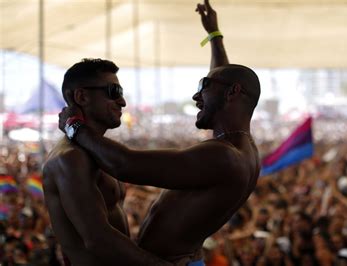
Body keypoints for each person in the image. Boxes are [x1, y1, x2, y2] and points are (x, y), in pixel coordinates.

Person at [57, 0, 261, 265]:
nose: (196, 95)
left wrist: (74, 127)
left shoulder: (224, 157)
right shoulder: (240, 146)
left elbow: (125, 164)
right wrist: (214, 37)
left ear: (232, 93)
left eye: (205, 86)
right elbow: (224, 78)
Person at [43, 59, 163, 265]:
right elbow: (98, 239)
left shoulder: (96, 151)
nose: (122, 102)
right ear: (81, 96)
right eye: (113, 91)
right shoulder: (71, 158)